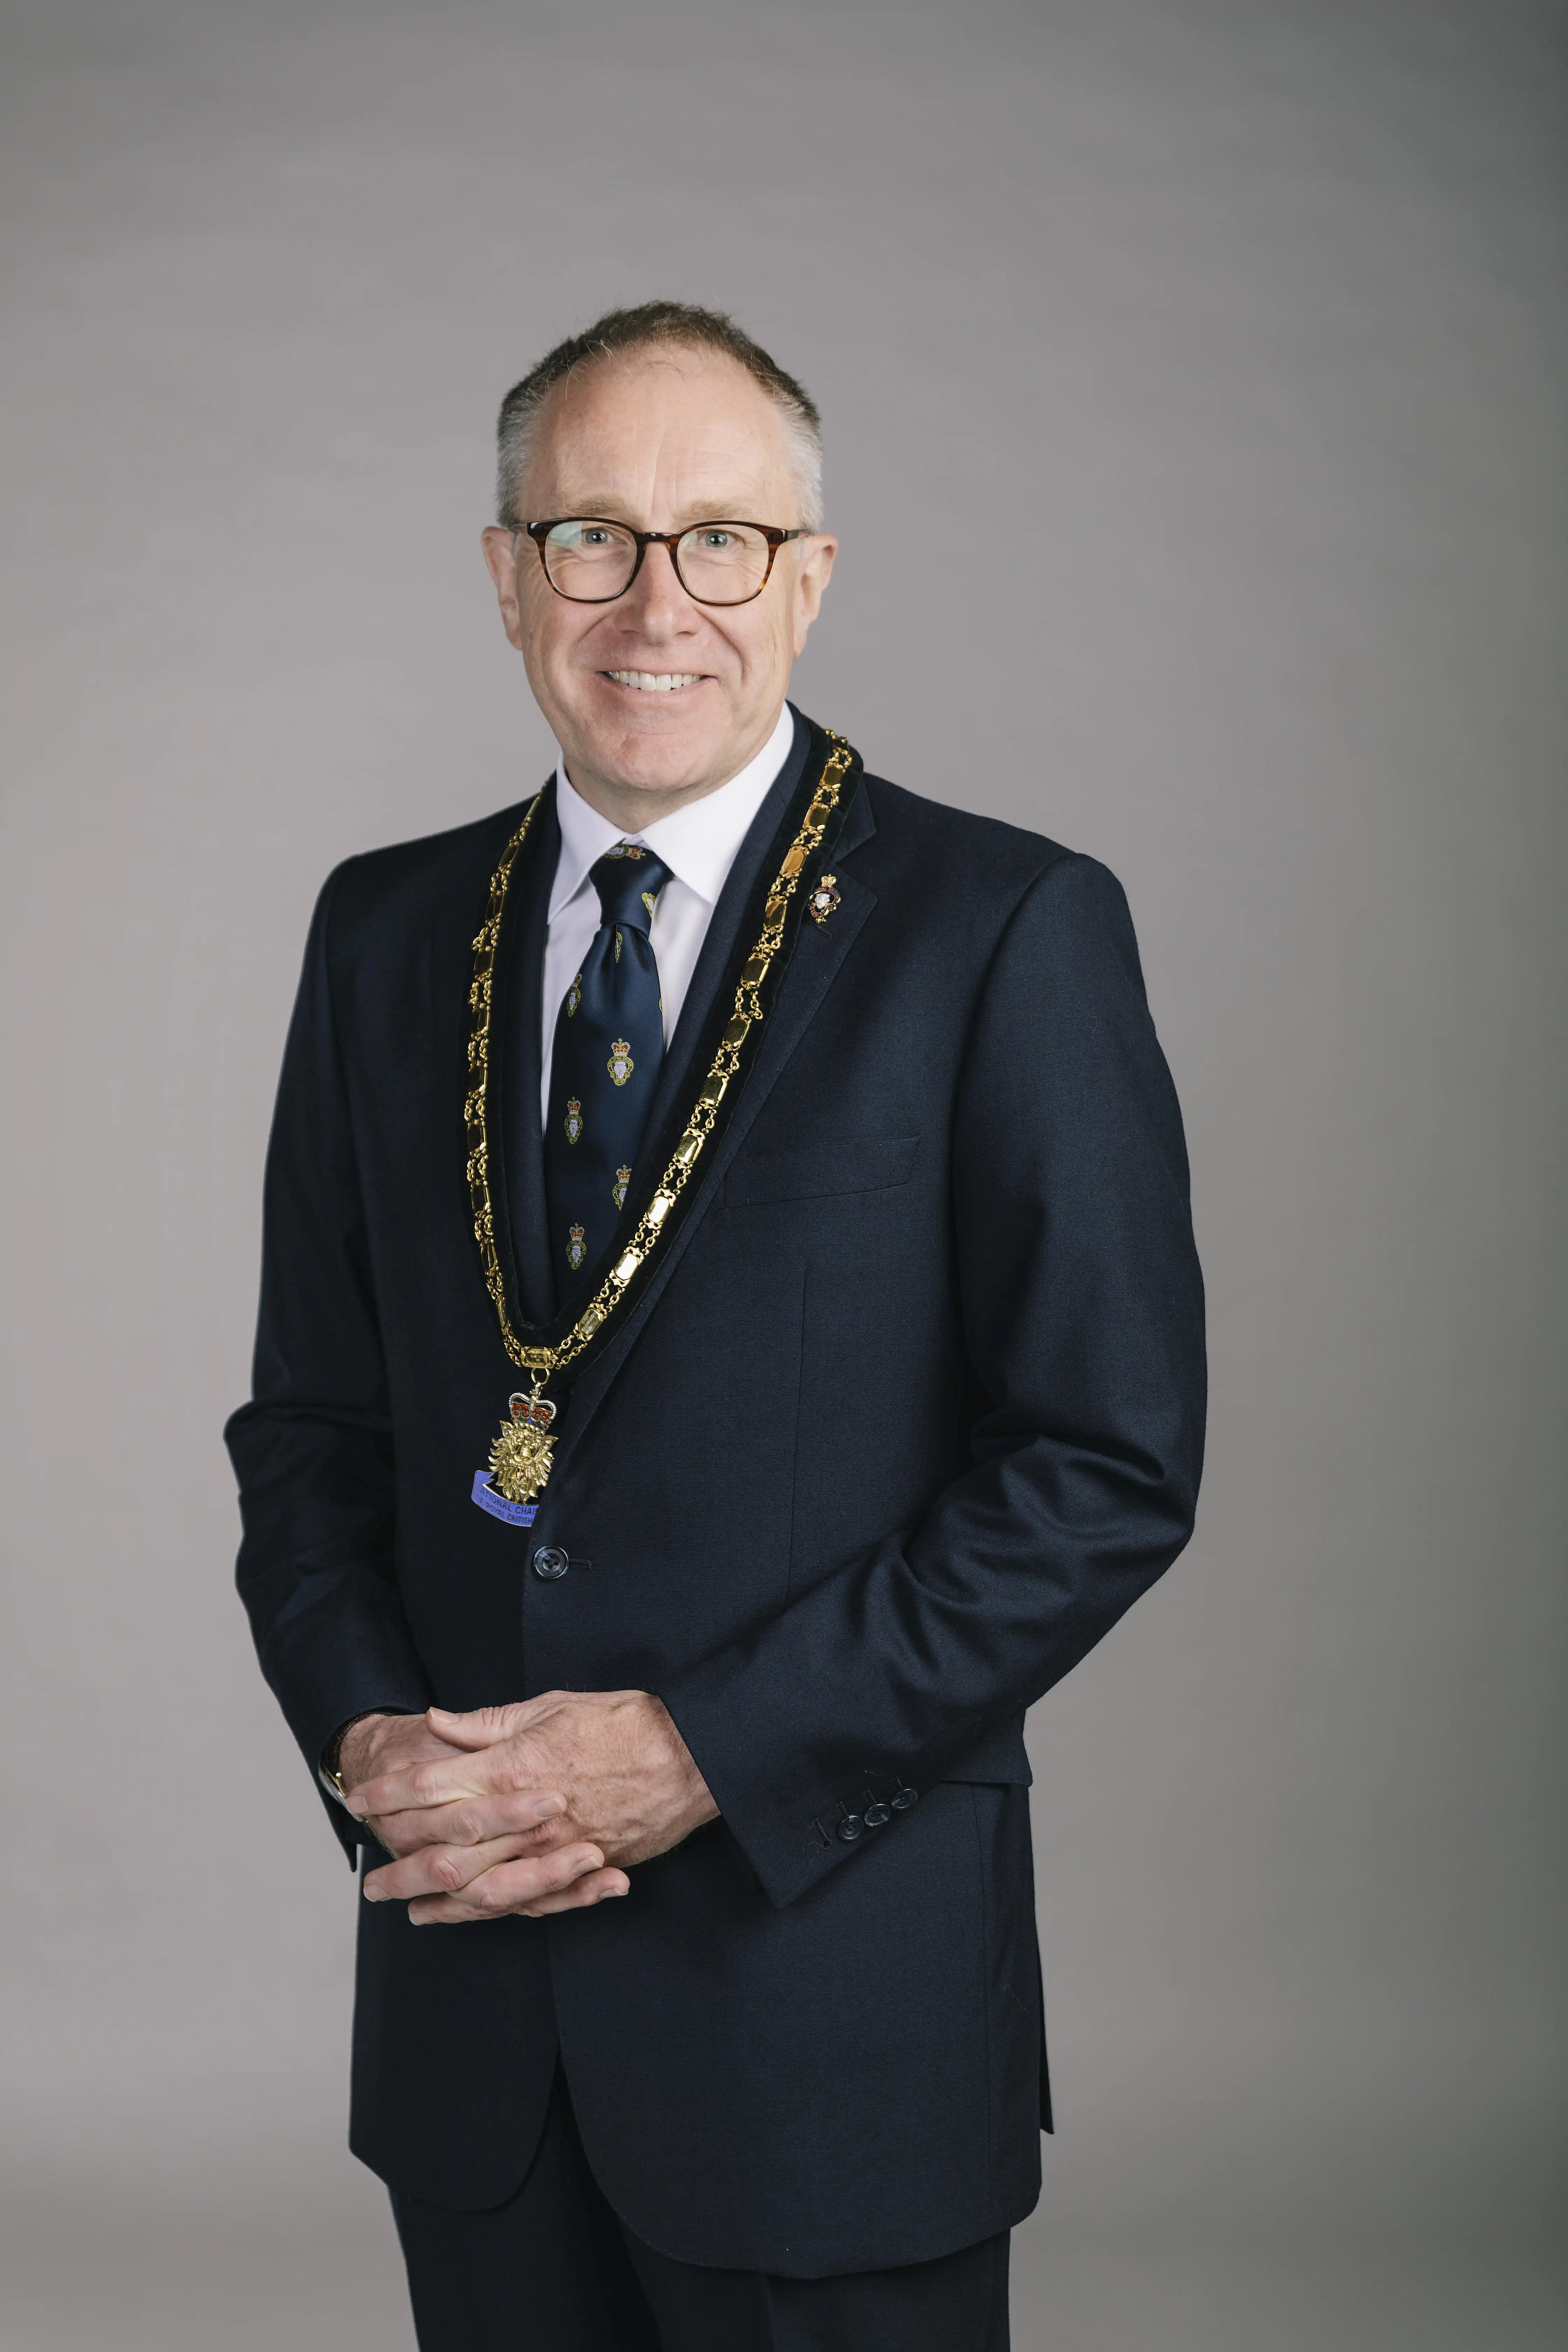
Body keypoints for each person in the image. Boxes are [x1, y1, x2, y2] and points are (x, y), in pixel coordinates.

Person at [226, 300, 1206, 2352]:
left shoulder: (1004, 929)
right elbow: (313, 1432)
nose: (655, 601)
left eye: (722, 539)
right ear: (507, 577)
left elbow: (1103, 1465)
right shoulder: (382, 932)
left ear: (811, 578)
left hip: (824, 2009)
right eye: (590, 535)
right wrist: (373, 1747)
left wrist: (700, 1751)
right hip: (472, 2020)